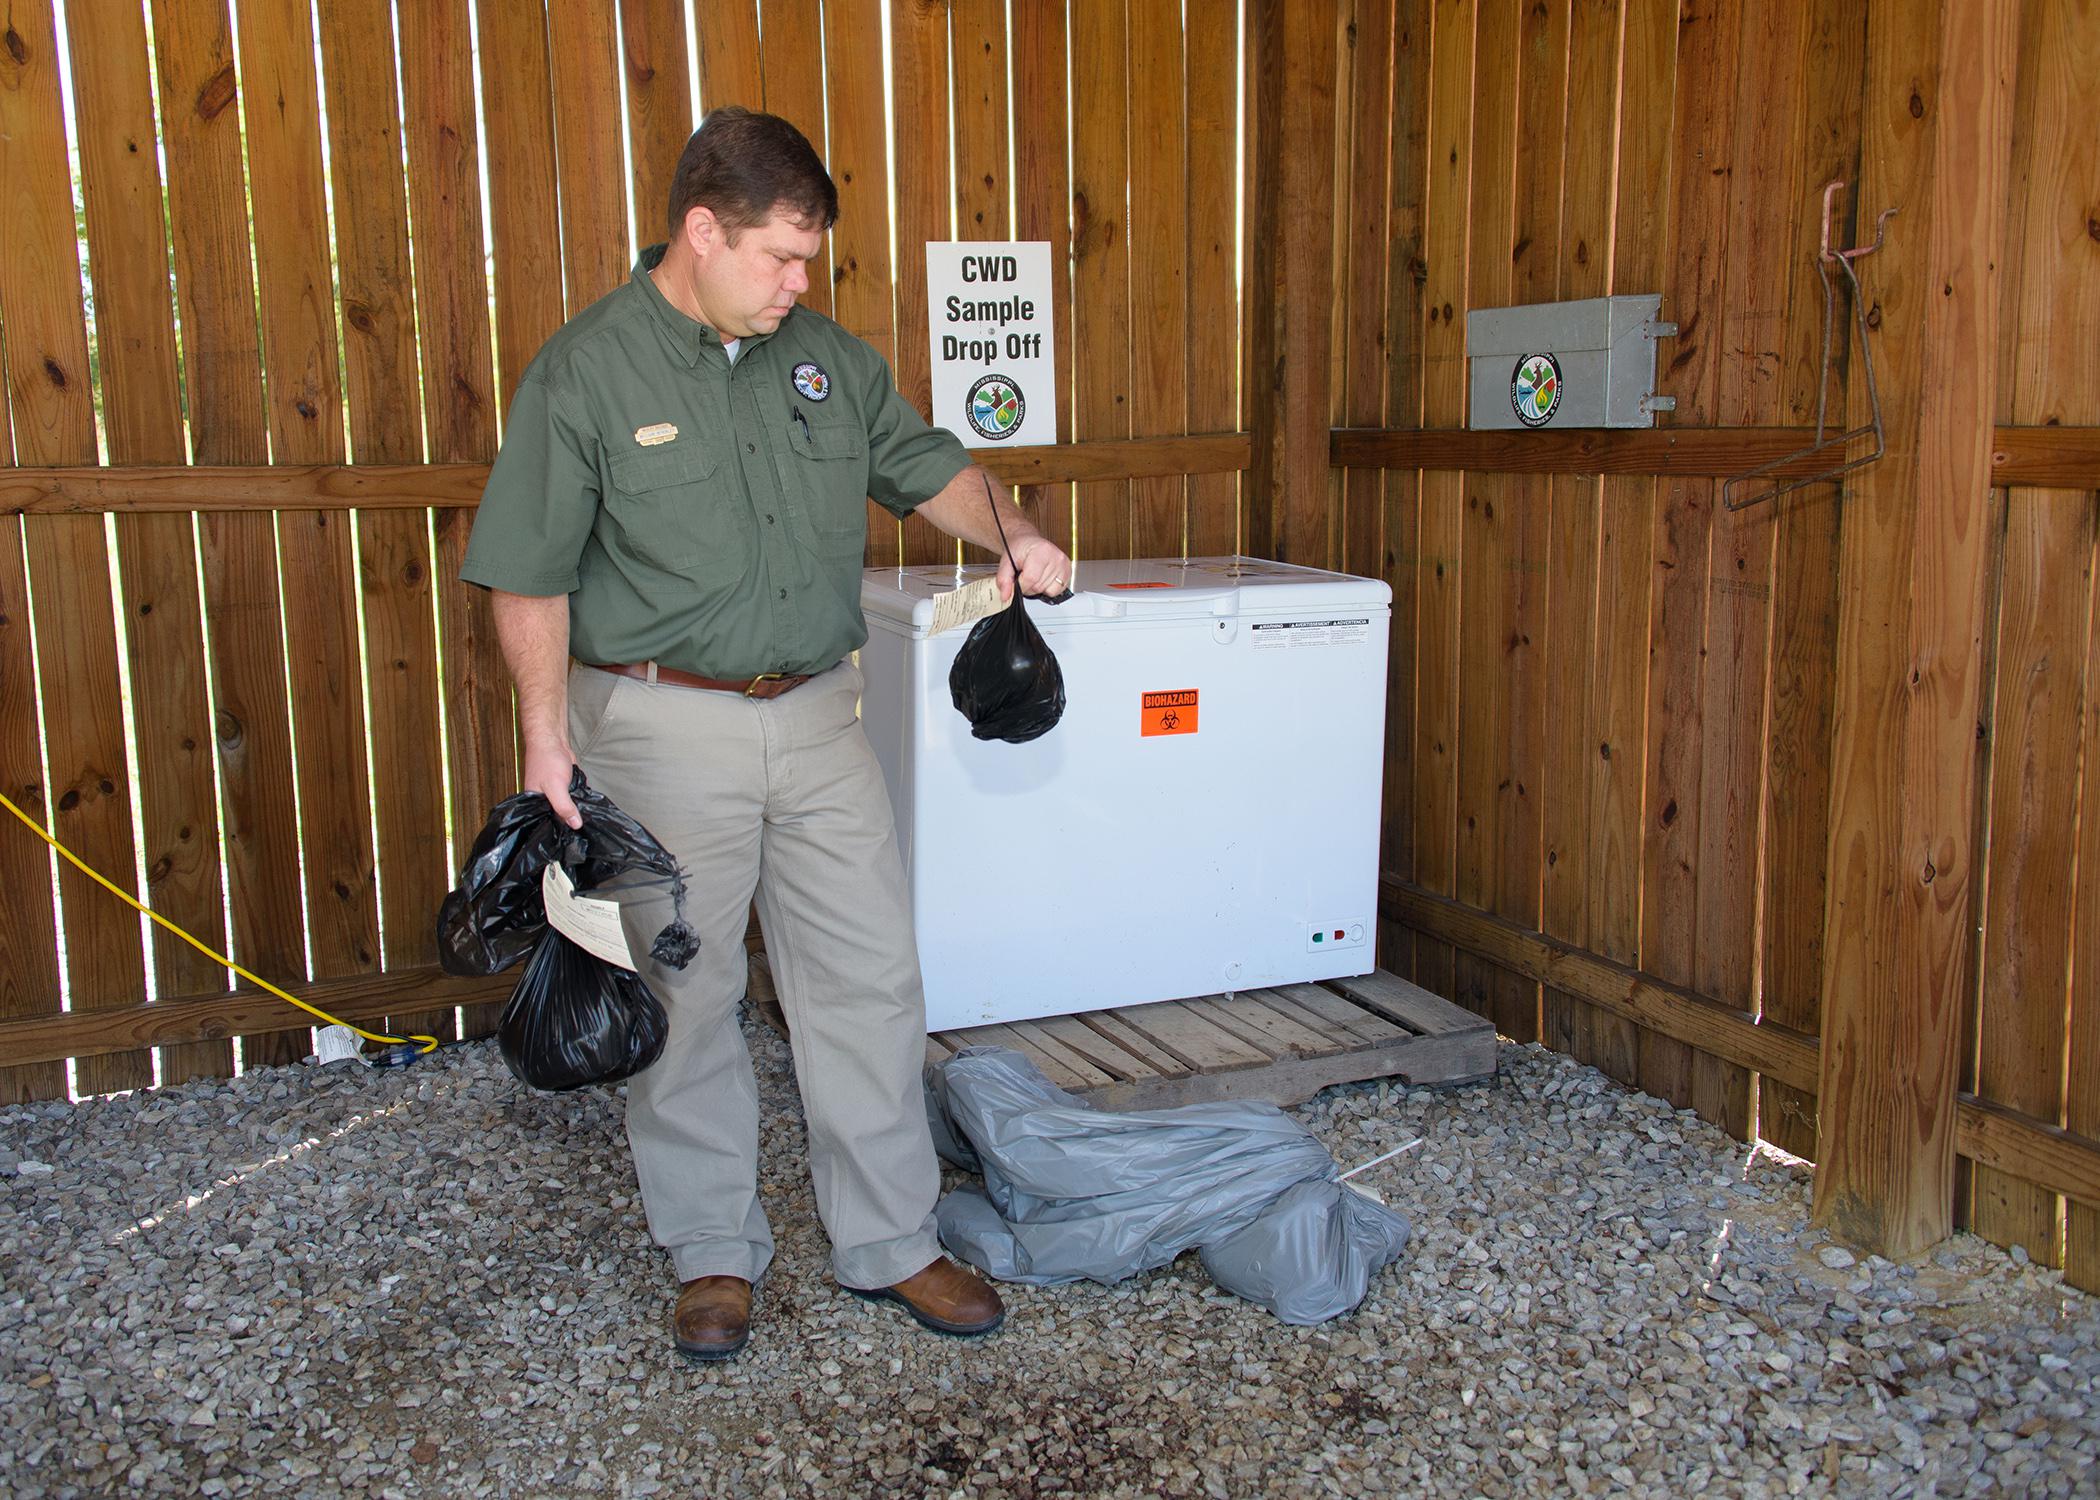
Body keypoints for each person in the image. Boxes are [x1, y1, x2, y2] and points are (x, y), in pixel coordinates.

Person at [459, 107, 1071, 1362]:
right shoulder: (587, 371)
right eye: (781, 258)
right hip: (656, 729)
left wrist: (1007, 530)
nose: (801, 284)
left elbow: (925, 463)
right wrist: (543, 739)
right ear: (701, 230)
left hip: (819, 719)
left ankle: (892, 1239)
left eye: (810, 261)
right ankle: (712, 1253)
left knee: (869, 982)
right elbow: (528, 575)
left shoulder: (826, 361)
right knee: (684, 998)